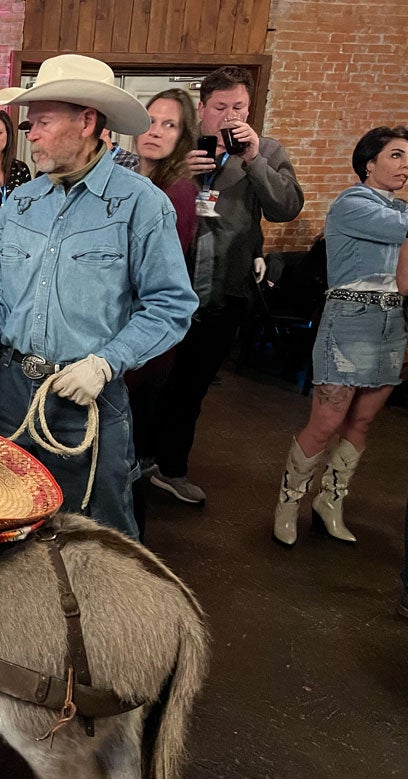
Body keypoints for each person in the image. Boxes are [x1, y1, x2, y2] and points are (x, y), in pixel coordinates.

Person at [0, 54, 198, 539]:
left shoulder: (141, 204)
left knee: (97, 540)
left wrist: (105, 363)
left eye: (41, 122)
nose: (28, 134)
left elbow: (170, 305)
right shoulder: (21, 202)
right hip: (6, 392)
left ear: (87, 121)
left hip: (85, 403)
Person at [149, 66, 304, 506]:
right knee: (153, 383)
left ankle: (171, 468)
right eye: (220, 107)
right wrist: (180, 172)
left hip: (223, 294)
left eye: (239, 107)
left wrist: (254, 161)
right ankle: (136, 460)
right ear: (203, 109)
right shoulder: (179, 145)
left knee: (192, 388)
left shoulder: (266, 152)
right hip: (166, 294)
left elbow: (286, 208)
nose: (230, 116)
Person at [271, 127, 408, 547]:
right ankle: (289, 503)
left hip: (393, 320)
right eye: (397, 155)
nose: (406, 165)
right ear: (370, 162)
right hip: (351, 318)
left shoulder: (397, 210)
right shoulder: (353, 203)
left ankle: (329, 502)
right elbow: (399, 230)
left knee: (363, 419)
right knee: (327, 419)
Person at [125, 88, 201, 536]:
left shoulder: (177, 191)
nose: (155, 131)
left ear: (184, 134)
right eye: (150, 120)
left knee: (128, 449)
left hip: (145, 340)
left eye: (168, 124)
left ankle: (131, 548)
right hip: (130, 334)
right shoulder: (139, 180)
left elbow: (152, 280)